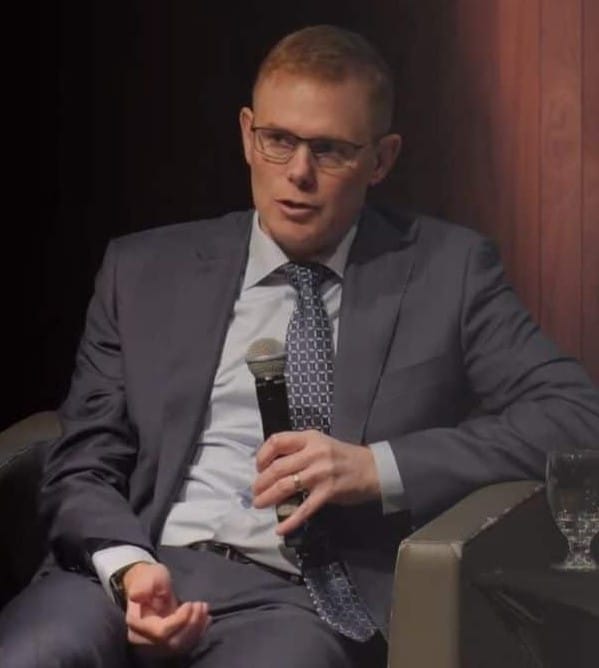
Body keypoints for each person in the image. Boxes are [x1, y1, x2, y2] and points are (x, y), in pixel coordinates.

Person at [2, 24, 599, 668]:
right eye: (279, 140)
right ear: (247, 135)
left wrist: (376, 468)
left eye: (331, 150)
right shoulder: (144, 270)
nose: (298, 174)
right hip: (124, 571)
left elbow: (575, 419)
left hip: (297, 598)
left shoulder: (448, 273)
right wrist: (129, 570)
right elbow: (83, 460)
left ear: (381, 160)